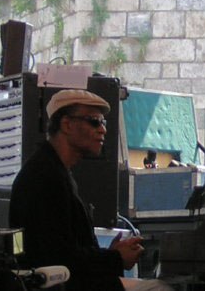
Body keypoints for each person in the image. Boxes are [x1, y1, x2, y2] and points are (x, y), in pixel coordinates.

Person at [9, 89, 174, 291]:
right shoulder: (44, 178)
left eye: (103, 123)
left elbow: (67, 250)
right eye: (95, 121)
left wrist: (111, 253)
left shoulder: (55, 171)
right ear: (67, 124)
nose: (103, 130)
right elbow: (59, 258)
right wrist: (115, 258)